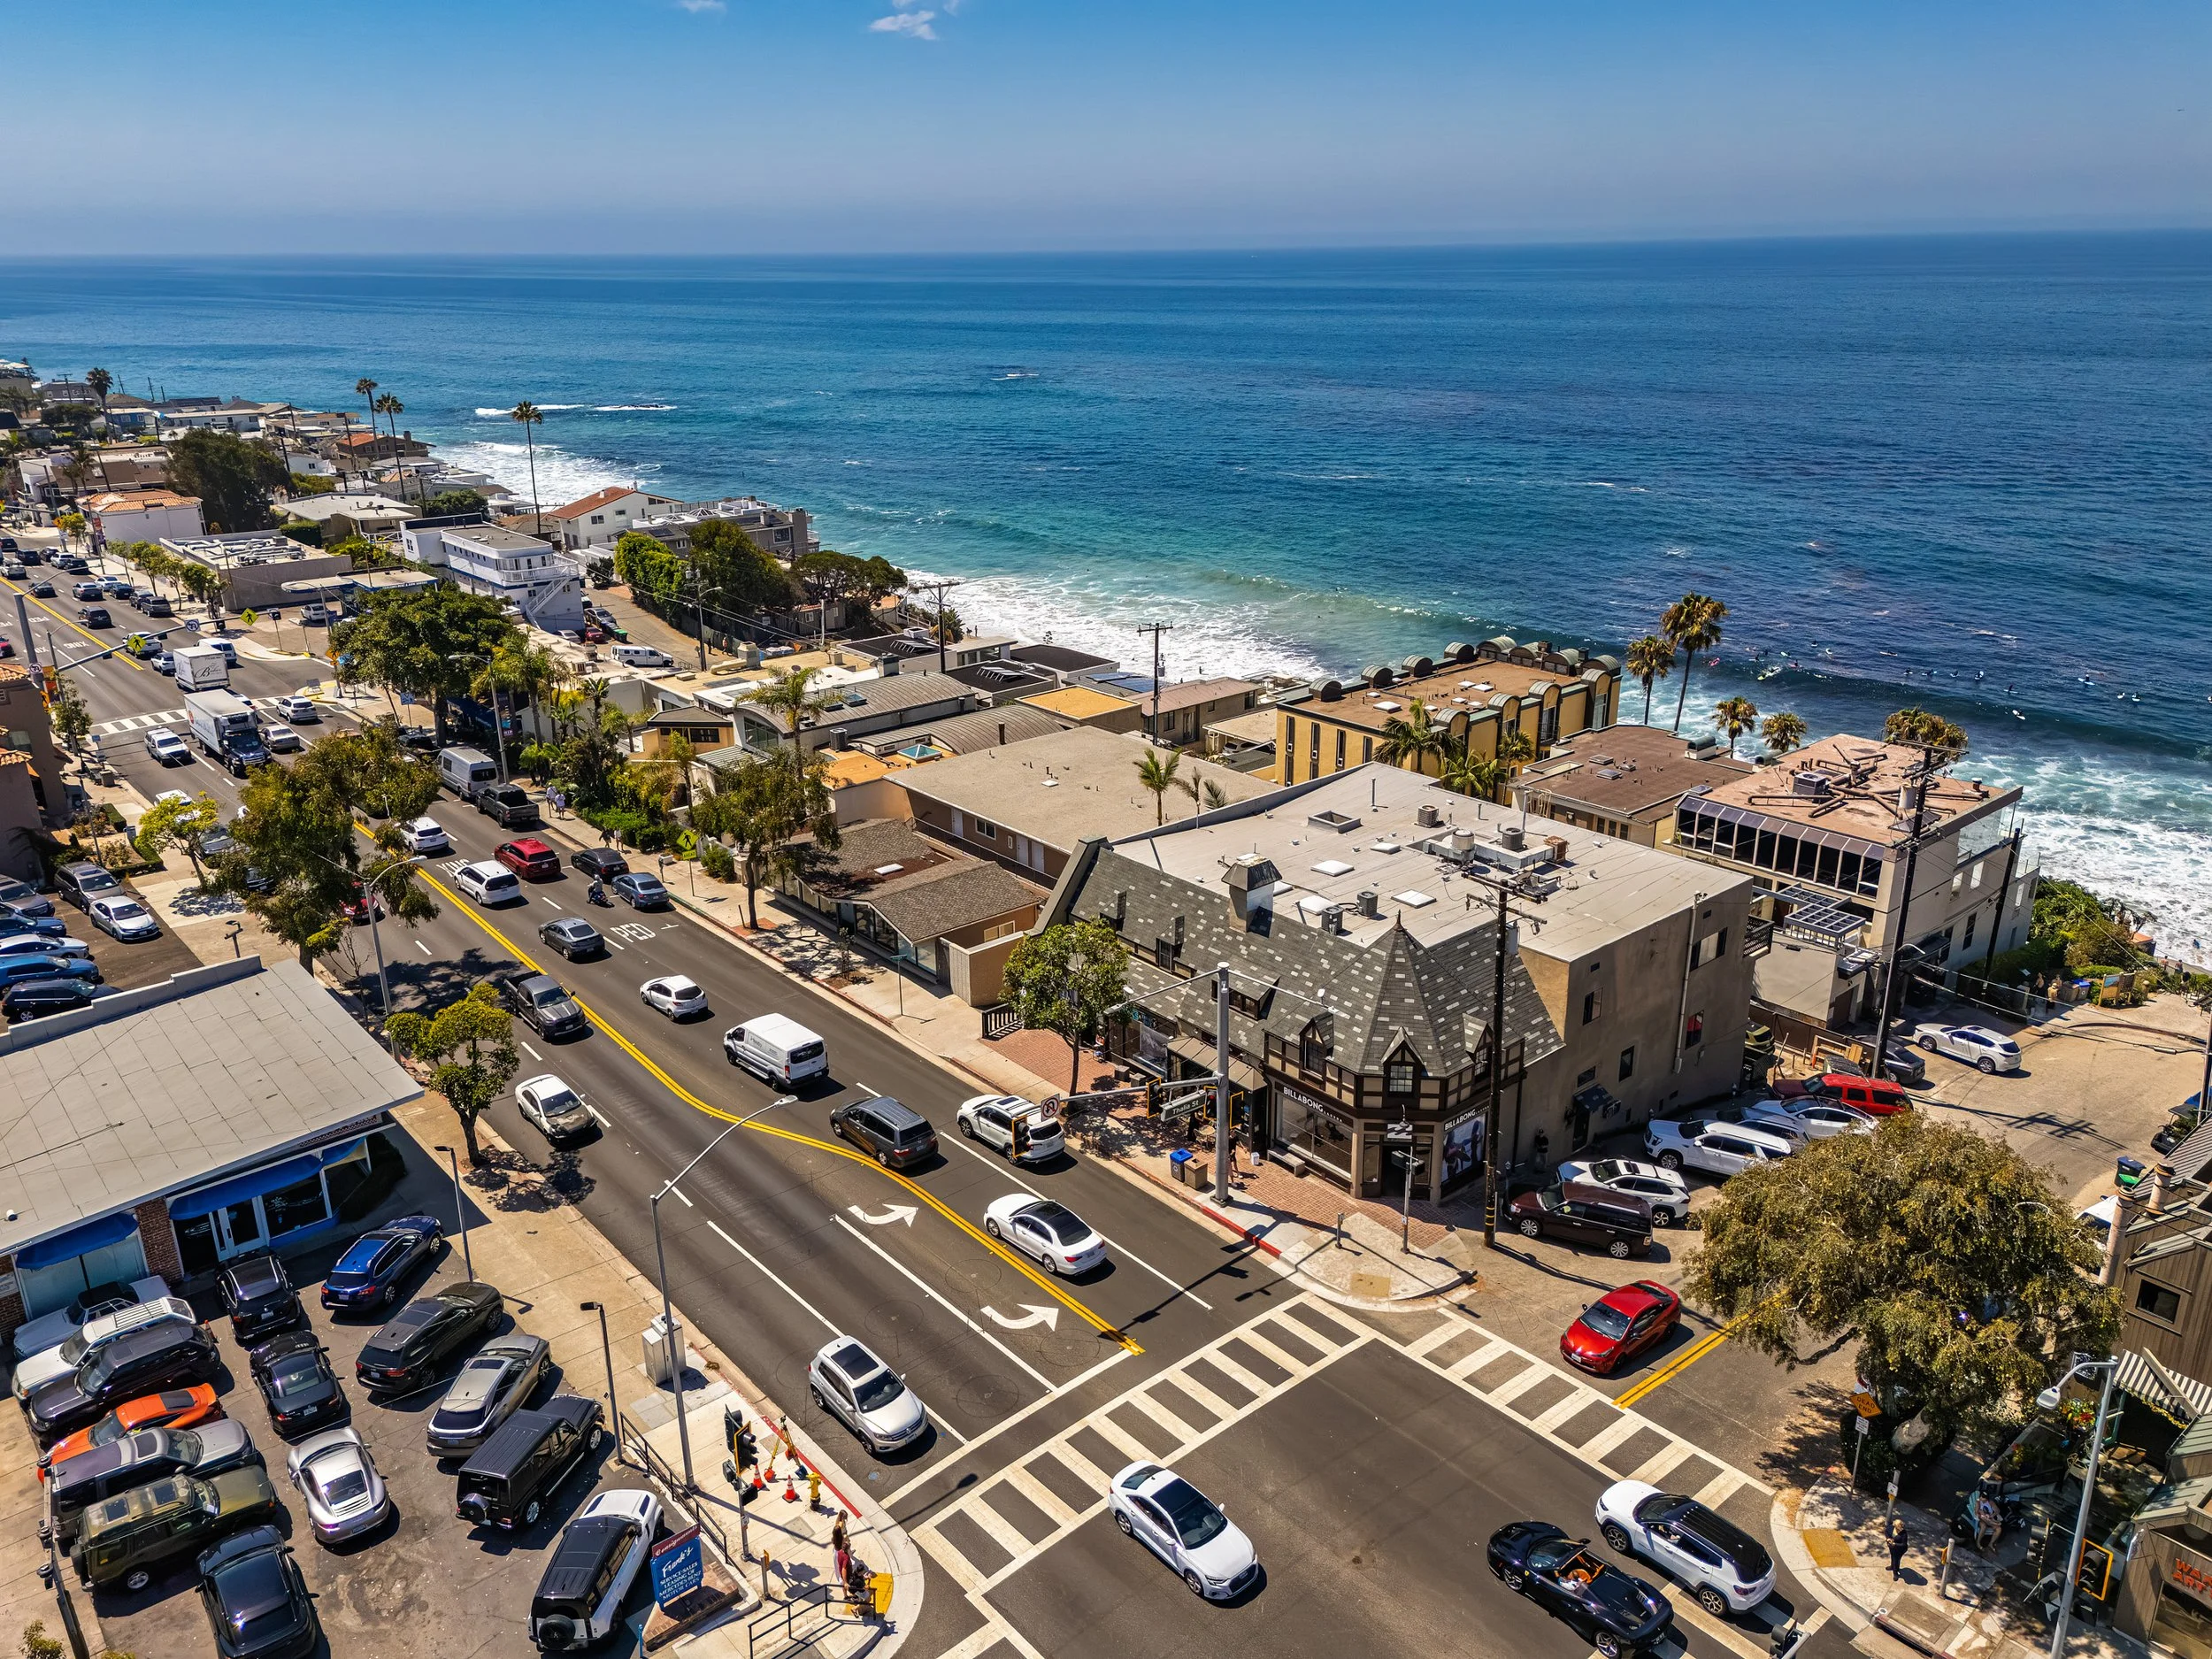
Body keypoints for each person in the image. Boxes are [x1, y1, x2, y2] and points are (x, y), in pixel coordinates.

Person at [1972, 1488, 2003, 1554]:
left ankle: (1990, 1544)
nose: (1981, 1498)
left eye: (1983, 1497)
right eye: (1981, 1496)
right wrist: (1982, 1513)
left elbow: (1998, 1510)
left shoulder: (1990, 1502)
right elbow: (1976, 1512)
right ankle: (1978, 1543)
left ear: (1987, 1498)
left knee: (1999, 1529)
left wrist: (1991, 1515)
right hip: (1981, 1520)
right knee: (1983, 1526)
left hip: (1990, 1518)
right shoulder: (1978, 1502)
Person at [1887, 1516, 1909, 1580]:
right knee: (1892, 1557)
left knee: (1896, 1560)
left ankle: (1895, 1573)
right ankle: (1892, 1566)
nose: (1898, 1529)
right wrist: (1888, 1538)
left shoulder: (1904, 1533)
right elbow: (1886, 1531)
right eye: (1896, 1527)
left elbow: (1904, 1544)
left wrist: (1895, 1544)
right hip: (1892, 1547)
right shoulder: (1891, 1527)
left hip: (1900, 1549)